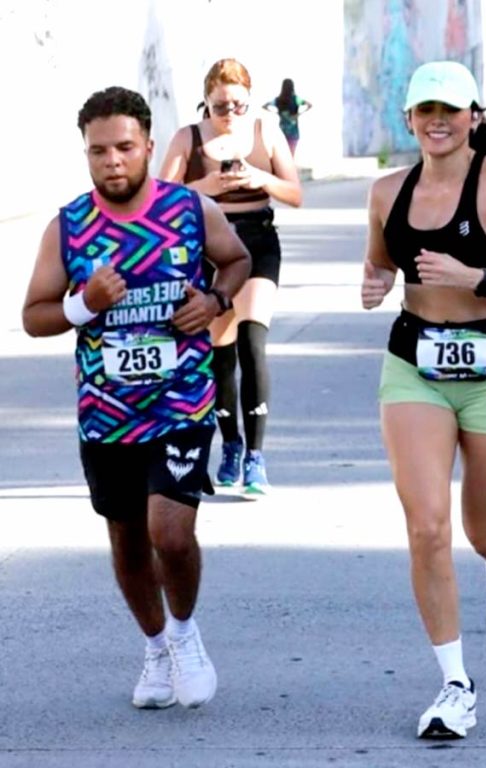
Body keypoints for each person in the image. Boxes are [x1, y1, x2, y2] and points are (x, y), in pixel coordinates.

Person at [21, 86, 251, 709]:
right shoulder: (68, 227)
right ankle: (155, 647)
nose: (112, 161)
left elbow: (236, 260)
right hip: (106, 415)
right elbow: (33, 317)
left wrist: (217, 300)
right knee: (126, 542)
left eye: (125, 147)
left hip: (181, 402)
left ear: (149, 145)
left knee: (170, 534)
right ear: (87, 155)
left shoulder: (188, 211)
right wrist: (82, 303)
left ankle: (184, 632)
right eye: (99, 151)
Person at [361, 60, 486, 738]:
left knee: (483, 530)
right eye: (425, 110)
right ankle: (455, 683)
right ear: (411, 120)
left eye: (450, 109)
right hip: (415, 366)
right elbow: (382, 261)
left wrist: (477, 277)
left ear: (473, 115)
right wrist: (373, 282)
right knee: (426, 526)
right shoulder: (387, 191)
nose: (437, 121)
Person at [160, 58, 303, 494]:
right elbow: (160, 199)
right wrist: (207, 189)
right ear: (206, 101)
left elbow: (294, 193)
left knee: (253, 341)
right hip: (208, 248)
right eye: (221, 106)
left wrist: (259, 176)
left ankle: (256, 458)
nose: (230, 115)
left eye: (239, 105)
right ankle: (232, 445)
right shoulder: (189, 138)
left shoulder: (265, 130)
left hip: (257, 243)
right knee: (219, 352)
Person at [263, 78, 313, 156]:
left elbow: (264, 106)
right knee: (291, 156)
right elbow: (310, 105)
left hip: (281, 131)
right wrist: (298, 114)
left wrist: (276, 113)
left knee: (281, 156)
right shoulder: (296, 99)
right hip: (293, 132)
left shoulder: (278, 100)